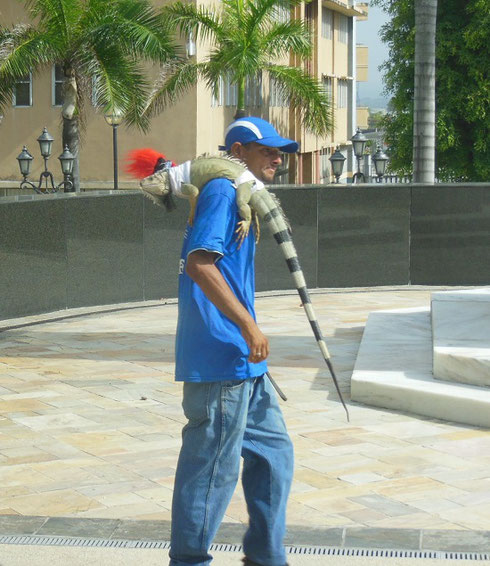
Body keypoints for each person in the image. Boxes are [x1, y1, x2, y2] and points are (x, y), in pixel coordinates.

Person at [169, 117, 298, 566]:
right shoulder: (223, 191)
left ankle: (265, 555)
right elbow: (199, 263)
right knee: (211, 471)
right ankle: (188, 561)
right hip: (222, 354)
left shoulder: (236, 189)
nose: (278, 159)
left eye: (281, 152)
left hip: (245, 362)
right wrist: (248, 327)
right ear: (238, 151)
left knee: (273, 453)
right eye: (268, 151)